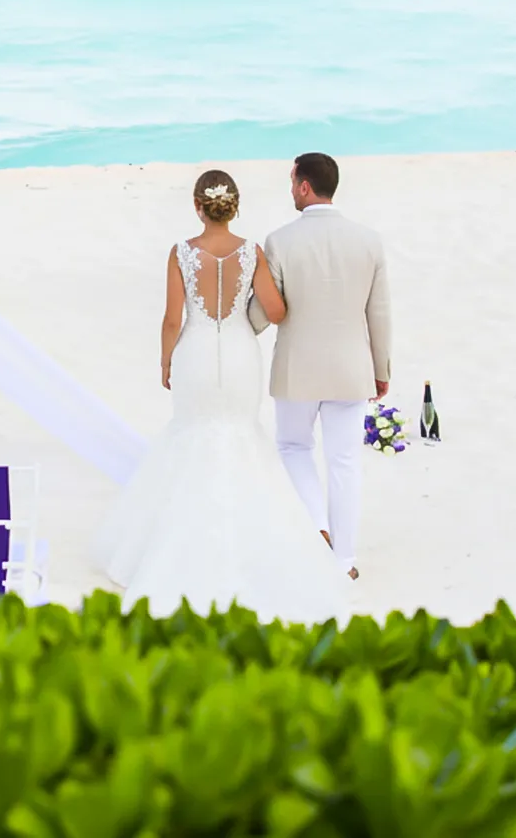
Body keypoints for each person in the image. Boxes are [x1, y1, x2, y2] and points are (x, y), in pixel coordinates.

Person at [98, 170, 348, 623]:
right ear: (233, 208)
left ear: (198, 206)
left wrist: (165, 361)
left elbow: (172, 319)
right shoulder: (251, 252)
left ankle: (177, 548)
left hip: (195, 354)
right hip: (238, 356)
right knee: (240, 437)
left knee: (193, 436)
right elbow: (275, 310)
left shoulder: (180, 254)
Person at [248, 152, 392, 581]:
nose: (291, 189)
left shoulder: (279, 241)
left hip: (298, 369)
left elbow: (262, 314)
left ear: (306, 186)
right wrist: (380, 369)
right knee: (345, 462)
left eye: (293, 182)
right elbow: (379, 313)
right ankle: (344, 559)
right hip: (352, 369)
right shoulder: (369, 241)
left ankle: (318, 528)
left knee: (294, 448)